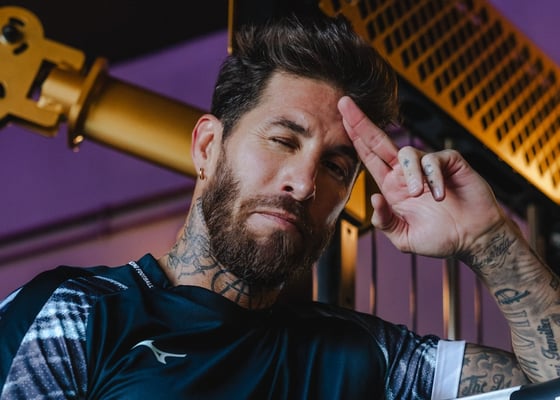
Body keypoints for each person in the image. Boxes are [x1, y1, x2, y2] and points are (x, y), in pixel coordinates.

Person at [0, 12, 559, 400]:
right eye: (283, 140)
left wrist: (490, 241)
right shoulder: (78, 314)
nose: (304, 181)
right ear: (207, 146)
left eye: (336, 166)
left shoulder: (365, 357)